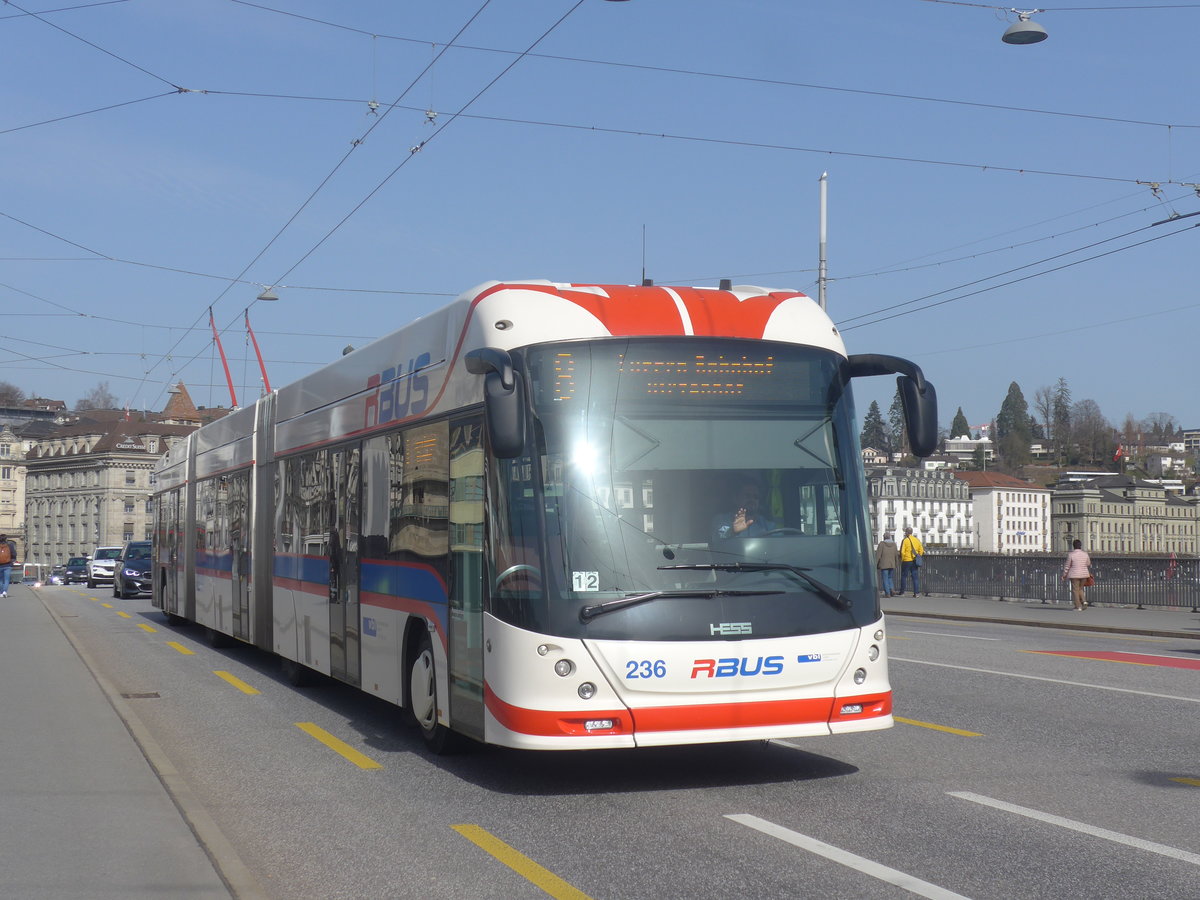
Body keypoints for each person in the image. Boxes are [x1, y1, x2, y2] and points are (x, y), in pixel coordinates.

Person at [711, 476, 776, 540]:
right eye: (747, 496)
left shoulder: (767, 525)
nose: (752, 500)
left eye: (756, 497)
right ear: (735, 498)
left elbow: (777, 542)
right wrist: (733, 531)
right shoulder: (721, 519)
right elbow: (718, 536)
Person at [1063, 538, 1092, 611]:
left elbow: (1067, 566)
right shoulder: (1085, 554)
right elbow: (1088, 563)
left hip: (1074, 574)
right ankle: (1084, 601)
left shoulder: (1071, 555)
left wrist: (1064, 575)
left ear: (1073, 546)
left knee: (1075, 590)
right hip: (1084, 574)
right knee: (1081, 588)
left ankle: (1078, 606)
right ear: (1080, 546)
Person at [898, 526, 924, 597]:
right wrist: (918, 556)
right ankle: (916, 593)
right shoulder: (917, 540)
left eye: (905, 532)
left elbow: (902, 551)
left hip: (906, 560)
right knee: (915, 577)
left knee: (904, 576)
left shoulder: (905, 540)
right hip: (914, 561)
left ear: (907, 532)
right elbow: (921, 550)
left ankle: (902, 592)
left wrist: (902, 559)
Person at [875, 532, 898, 597]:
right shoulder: (894, 544)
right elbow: (896, 555)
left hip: (884, 564)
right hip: (892, 564)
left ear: (884, 537)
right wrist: (896, 563)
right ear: (890, 537)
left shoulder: (882, 544)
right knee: (890, 577)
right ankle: (892, 589)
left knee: (885, 578)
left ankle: (887, 593)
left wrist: (875, 564)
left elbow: (878, 555)